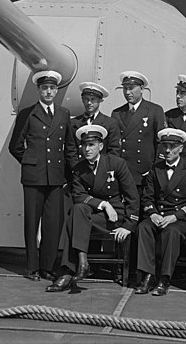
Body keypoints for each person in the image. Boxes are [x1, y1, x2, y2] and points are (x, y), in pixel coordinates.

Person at [46, 124, 139, 292]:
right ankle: (82, 261)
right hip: (93, 214)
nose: (87, 149)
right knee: (77, 210)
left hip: (113, 217)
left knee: (74, 217)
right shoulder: (79, 169)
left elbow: (132, 196)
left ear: (101, 146)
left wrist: (128, 226)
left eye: (91, 145)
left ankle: (68, 270)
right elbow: (78, 195)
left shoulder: (116, 163)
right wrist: (104, 204)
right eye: (84, 145)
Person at [8, 70, 78, 282]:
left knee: (52, 224)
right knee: (32, 223)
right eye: (45, 88)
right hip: (33, 178)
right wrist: (32, 163)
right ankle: (32, 268)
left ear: (57, 90)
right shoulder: (27, 114)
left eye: (52, 88)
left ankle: (47, 267)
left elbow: (70, 148)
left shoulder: (64, 114)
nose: (49, 92)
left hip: (56, 178)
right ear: (39, 90)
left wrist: (69, 175)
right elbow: (15, 147)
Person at [134, 128, 186, 296]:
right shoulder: (155, 169)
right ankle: (148, 275)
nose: (167, 150)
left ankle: (165, 278)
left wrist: (175, 217)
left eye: (172, 146)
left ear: (181, 148)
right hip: (159, 214)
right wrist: (153, 214)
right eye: (165, 146)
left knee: (171, 232)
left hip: (180, 219)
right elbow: (148, 198)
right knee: (143, 227)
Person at [111, 71, 166, 191]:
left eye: (131, 88)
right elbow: (114, 144)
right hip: (123, 173)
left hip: (145, 174)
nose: (127, 92)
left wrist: (155, 169)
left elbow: (161, 143)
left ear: (141, 89)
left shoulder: (154, 111)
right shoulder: (117, 113)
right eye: (124, 88)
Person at [69, 82, 121, 156]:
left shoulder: (110, 123)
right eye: (86, 99)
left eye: (93, 99)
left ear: (100, 101)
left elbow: (114, 151)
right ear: (82, 99)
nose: (89, 103)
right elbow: (70, 151)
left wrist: (103, 167)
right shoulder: (73, 123)